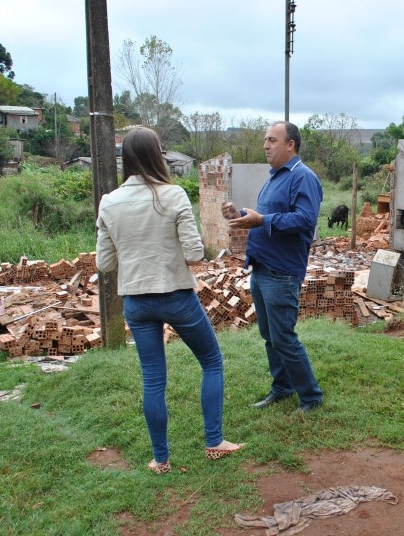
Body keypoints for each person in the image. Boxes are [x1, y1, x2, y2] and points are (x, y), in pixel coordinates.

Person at [96, 126, 243, 472]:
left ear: (126, 159)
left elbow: (104, 263)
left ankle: (160, 459)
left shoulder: (109, 202)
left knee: (153, 380)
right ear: (157, 155)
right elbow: (194, 253)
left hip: (136, 300)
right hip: (176, 295)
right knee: (211, 361)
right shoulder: (173, 195)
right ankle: (214, 440)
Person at [221, 121, 324, 413]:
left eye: (271, 140)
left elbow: (305, 220)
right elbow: (263, 216)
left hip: (281, 272)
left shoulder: (303, 178)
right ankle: (282, 388)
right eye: (265, 140)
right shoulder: (275, 177)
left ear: (290, 144)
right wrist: (239, 213)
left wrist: (261, 220)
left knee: (284, 338)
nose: (265, 145)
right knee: (270, 337)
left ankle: (311, 397)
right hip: (262, 268)